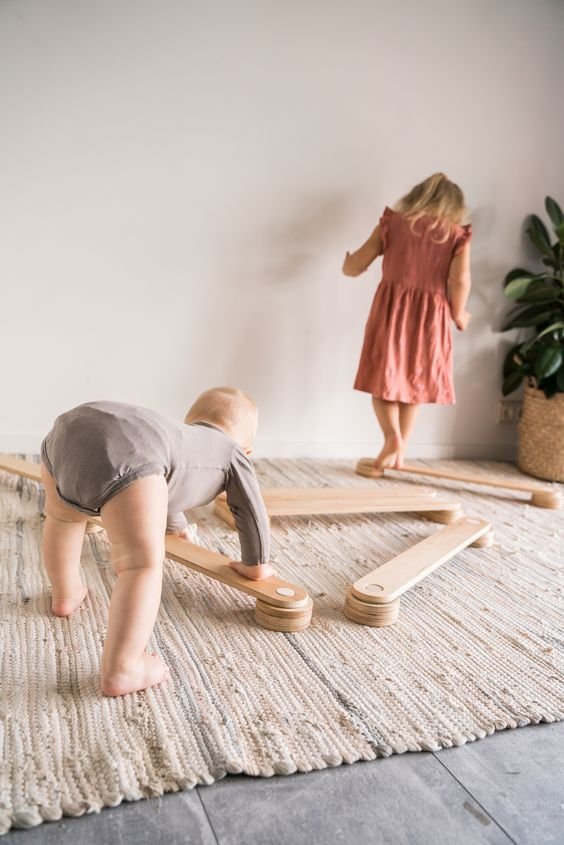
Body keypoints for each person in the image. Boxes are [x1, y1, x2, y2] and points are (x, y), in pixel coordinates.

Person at [40, 387, 272, 696]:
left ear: (192, 420)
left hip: (66, 434)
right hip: (131, 460)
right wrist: (256, 564)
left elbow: (168, 488)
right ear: (247, 449)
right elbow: (251, 508)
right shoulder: (233, 453)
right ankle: (123, 668)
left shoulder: (176, 436)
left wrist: (176, 529)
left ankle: (65, 593)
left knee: (63, 519)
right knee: (140, 564)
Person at [343, 173, 472, 469]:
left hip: (391, 311)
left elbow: (361, 259)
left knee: (382, 379)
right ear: (454, 206)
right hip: (431, 318)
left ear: (415, 197)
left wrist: (348, 265)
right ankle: (400, 450)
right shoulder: (455, 235)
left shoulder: (394, 223)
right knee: (414, 383)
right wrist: (459, 313)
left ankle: (392, 439)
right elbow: (460, 279)